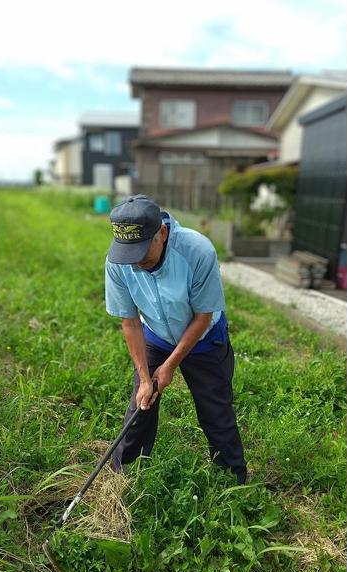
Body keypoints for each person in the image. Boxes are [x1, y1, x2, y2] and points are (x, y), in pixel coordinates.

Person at [104, 194, 247, 484]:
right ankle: (122, 477)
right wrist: (146, 378)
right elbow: (130, 322)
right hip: (156, 334)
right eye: (129, 256)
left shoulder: (197, 250)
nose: (137, 264)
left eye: (142, 254)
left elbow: (203, 316)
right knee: (141, 405)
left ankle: (232, 480)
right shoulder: (118, 262)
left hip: (204, 338)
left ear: (162, 233)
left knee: (215, 411)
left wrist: (168, 367)